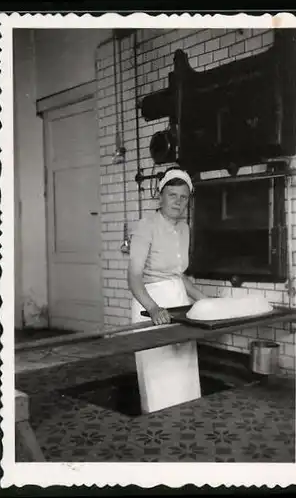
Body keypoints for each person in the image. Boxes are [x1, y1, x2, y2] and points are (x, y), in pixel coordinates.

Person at [128, 166, 207, 413]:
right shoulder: (146, 225)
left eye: (184, 197)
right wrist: (153, 308)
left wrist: (207, 302)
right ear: (160, 196)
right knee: (159, 372)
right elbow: (133, 276)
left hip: (179, 302)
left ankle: (185, 421)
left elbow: (178, 275)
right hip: (152, 303)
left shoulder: (184, 228)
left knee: (182, 368)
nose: (178, 201)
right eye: (172, 195)